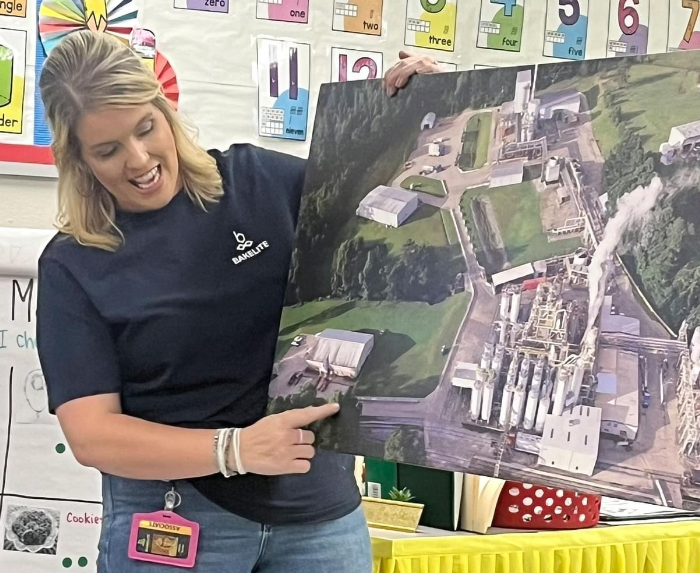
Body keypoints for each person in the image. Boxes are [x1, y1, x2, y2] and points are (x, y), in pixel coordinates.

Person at [35, 30, 441, 573]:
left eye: (145, 128)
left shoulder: (259, 182)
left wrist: (427, 102)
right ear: (78, 159)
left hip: (320, 516)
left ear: (163, 108)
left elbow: (387, 196)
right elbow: (93, 435)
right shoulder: (75, 263)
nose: (138, 159)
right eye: (108, 150)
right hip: (177, 518)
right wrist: (234, 450)